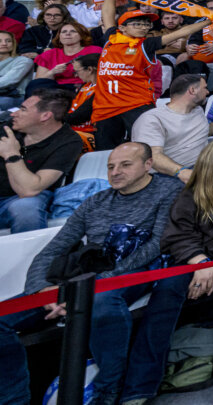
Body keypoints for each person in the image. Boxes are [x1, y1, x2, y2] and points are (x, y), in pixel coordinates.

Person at [0, 142, 183, 405]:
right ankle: (14, 400)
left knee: (102, 300)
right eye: (110, 166)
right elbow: (52, 251)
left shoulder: (168, 190)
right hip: (86, 274)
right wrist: (40, 290)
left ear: (147, 165)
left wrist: (83, 291)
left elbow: (157, 244)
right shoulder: (95, 201)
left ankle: (109, 390)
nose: (115, 171)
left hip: (133, 271)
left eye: (125, 165)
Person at [118, 136, 213, 403]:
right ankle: (139, 386)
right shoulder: (194, 188)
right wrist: (200, 261)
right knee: (166, 290)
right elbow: (178, 232)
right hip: (196, 255)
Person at [94, 0, 208, 150]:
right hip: (105, 106)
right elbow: (107, 12)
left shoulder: (147, 44)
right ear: (122, 28)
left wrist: (210, 20)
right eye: (137, 24)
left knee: (147, 147)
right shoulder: (110, 39)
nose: (143, 27)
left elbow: (183, 32)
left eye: (146, 24)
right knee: (105, 150)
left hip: (136, 104)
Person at [0, 90, 79, 233]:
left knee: (26, 207)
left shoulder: (68, 142)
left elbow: (30, 190)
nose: (13, 113)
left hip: (22, 199)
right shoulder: (6, 128)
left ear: (45, 116)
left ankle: (28, 255)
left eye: (23, 110)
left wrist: (11, 154)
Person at [130, 73, 209, 183]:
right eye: (205, 88)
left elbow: (203, 133)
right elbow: (153, 156)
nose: (208, 92)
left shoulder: (197, 111)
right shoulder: (152, 119)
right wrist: (182, 172)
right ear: (192, 90)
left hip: (204, 168)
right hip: (169, 176)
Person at [32, 21, 98, 90]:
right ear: (59, 37)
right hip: (56, 88)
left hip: (86, 87)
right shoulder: (49, 54)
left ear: (82, 36)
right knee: (33, 85)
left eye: (73, 31)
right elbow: (39, 81)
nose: (68, 34)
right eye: (64, 32)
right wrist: (53, 72)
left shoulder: (95, 51)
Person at [0, 30, 34, 110]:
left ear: (13, 44)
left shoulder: (24, 61)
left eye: (8, 41)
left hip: (13, 96)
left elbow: (9, 80)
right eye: (0, 41)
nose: (4, 43)